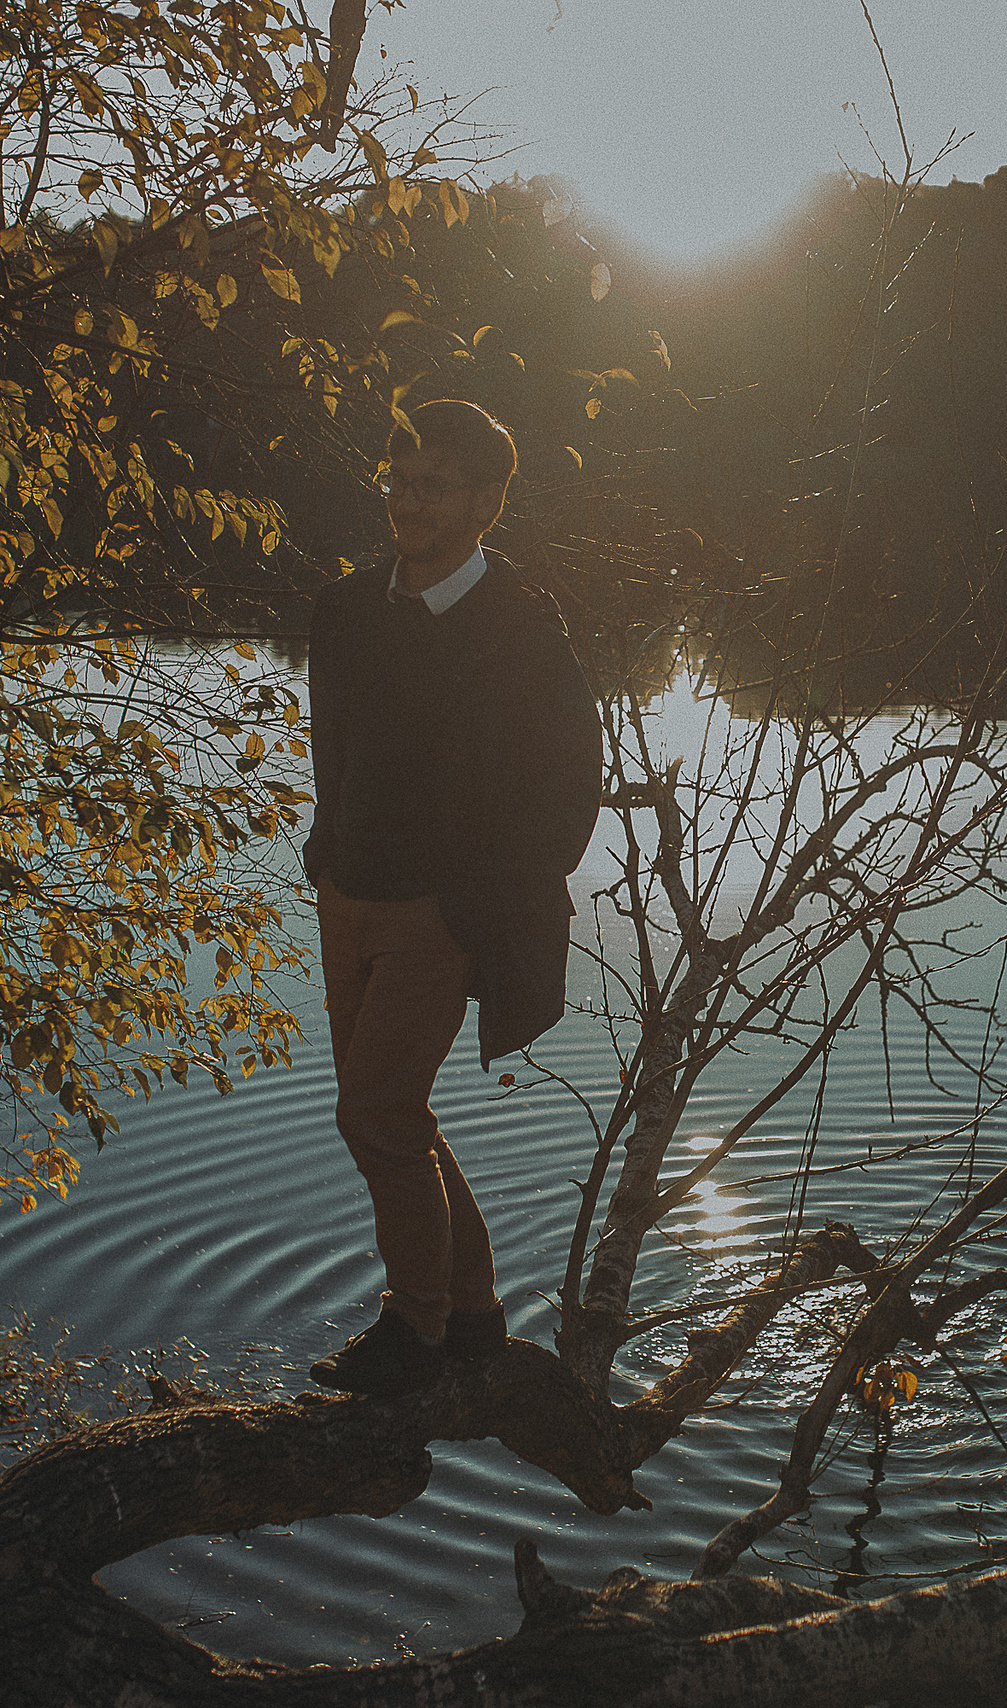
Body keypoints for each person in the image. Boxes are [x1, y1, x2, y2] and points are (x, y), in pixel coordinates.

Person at [300, 397, 601, 1396]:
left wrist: (466, 903)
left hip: (442, 914)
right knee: (394, 1112)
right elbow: (333, 745)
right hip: (348, 899)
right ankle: (472, 1314)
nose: (406, 502)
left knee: (374, 1111)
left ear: (486, 499)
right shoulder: (344, 611)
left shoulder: (521, 632)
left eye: (431, 485)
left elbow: (566, 800)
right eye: (396, 480)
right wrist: (327, 856)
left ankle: (416, 1331)